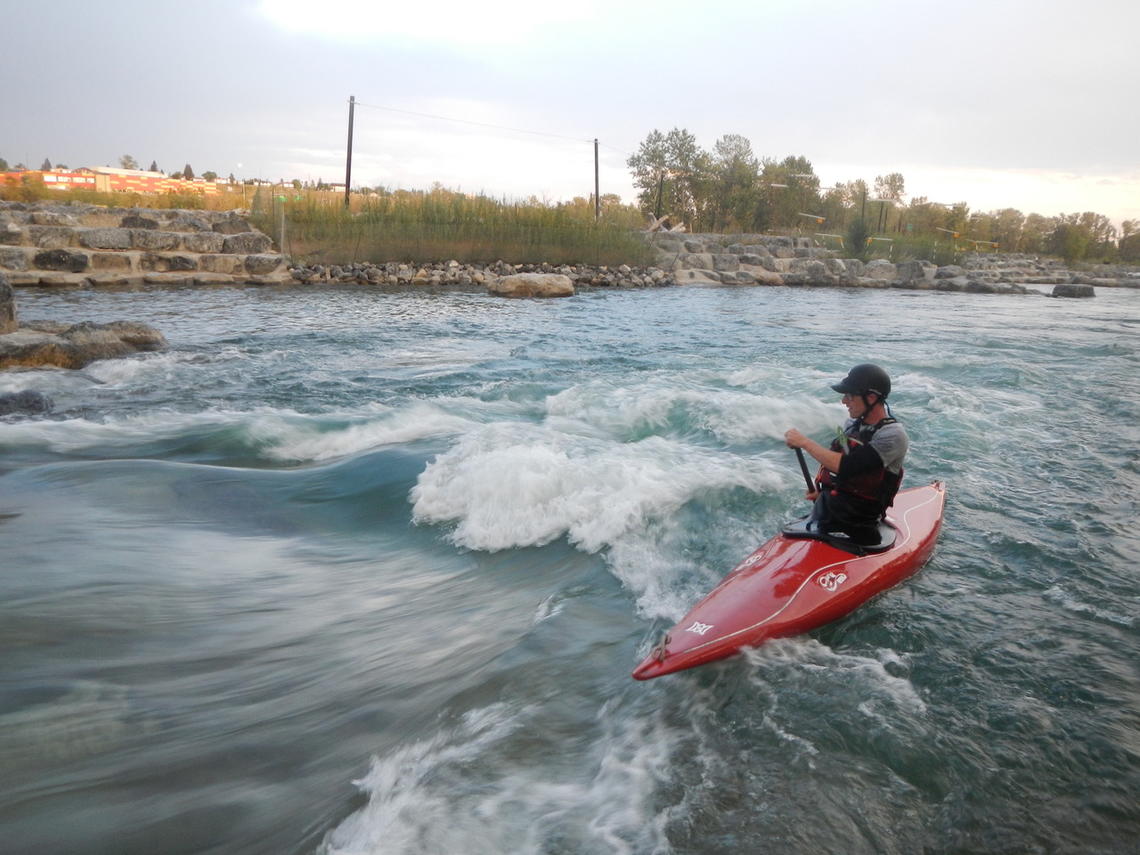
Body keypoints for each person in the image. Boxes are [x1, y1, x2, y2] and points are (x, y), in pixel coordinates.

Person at [784, 363, 908, 545]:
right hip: (826, 514)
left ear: (871, 397)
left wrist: (804, 442)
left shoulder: (893, 436)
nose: (844, 401)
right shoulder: (851, 424)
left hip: (861, 528)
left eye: (850, 395)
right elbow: (842, 475)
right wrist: (822, 494)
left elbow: (847, 466)